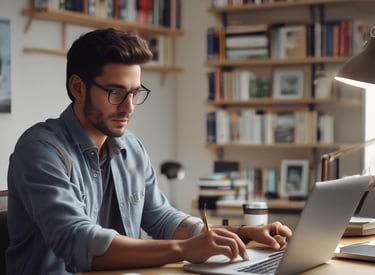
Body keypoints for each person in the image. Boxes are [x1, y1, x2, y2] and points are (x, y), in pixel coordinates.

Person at [6, 28, 292, 274]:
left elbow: (162, 218)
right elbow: (78, 241)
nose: (128, 107)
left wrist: (240, 234)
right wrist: (183, 249)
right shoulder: (40, 152)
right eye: (115, 93)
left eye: (134, 93)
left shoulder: (130, 147)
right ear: (78, 88)